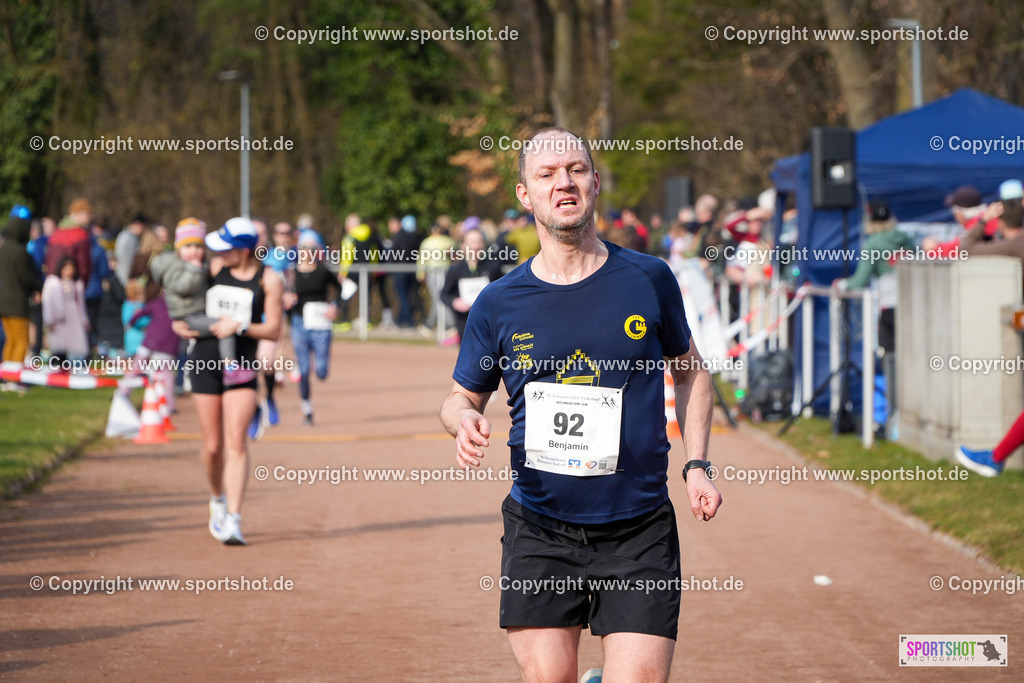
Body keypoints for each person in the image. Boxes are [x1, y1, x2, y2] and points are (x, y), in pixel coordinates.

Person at [439, 127, 722, 682]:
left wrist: (696, 464)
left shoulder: (648, 278)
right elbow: (458, 397)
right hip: (540, 527)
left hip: (638, 528)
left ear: (594, 182)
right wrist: (464, 418)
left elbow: (691, 371)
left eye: (575, 169)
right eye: (546, 174)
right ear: (525, 195)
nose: (563, 183)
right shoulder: (498, 302)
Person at [172, 217, 283, 545]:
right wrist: (178, 323)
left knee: (236, 443)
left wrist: (240, 326)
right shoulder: (212, 269)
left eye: (227, 248)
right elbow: (180, 298)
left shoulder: (269, 279)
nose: (219, 253)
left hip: (241, 364)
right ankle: (216, 498)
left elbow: (273, 330)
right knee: (213, 447)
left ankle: (234, 519)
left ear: (244, 250)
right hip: (204, 360)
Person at [150, 218, 253, 386]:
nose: (194, 251)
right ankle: (231, 367)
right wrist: (195, 269)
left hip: (198, 314)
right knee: (224, 327)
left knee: (222, 327)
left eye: (198, 247)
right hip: (189, 316)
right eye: (188, 246)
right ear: (178, 248)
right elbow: (183, 287)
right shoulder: (177, 267)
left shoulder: (203, 265)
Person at [289, 229, 342, 425]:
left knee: (321, 372)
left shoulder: (323, 271)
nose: (307, 252)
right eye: (304, 248)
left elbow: (341, 290)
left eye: (311, 248)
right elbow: (282, 293)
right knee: (303, 371)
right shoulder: (291, 272)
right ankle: (307, 410)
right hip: (299, 323)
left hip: (320, 324)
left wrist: (334, 306)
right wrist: (287, 299)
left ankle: (315, 362)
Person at [0, 207, 44, 380]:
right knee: (21, 340)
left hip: (3, 302)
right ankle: (14, 377)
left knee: (10, 340)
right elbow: (26, 276)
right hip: (17, 303)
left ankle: (5, 375)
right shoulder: (20, 252)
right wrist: (38, 287)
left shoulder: (3, 249)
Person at [439, 228, 503, 343]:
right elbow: (444, 294)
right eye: (472, 242)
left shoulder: (493, 267)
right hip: (464, 323)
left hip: (489, 322)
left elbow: (503, 291)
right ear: (464, 245)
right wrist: (454, 302)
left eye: (479, 241)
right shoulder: (455, 269)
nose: (476, 246)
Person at [42, 256, 90, 364]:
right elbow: (48, 302)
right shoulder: (53, 283)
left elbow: (81, 304)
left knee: (75, 347)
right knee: (59, 347)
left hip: (73, 317)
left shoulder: (77, 284)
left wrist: (84, 320)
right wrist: (49, 320)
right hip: (60, 318)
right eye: (66, 267)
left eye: (71, 267)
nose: (69, 270)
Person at [45, 199, 92, 285]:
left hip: (53, 282)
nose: (89, 217)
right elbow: (83, 266)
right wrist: (82, 284)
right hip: (71, 283)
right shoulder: (80, 236)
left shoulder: (55, 233)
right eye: (87, 213)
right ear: (78, 214)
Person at [391, 215, 424, 328]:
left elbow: (393, 254)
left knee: (403, 297)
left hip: (400, 271)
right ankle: (400, 320)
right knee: (408, 296)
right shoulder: (417, 237)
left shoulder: (399, 236)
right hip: (412, 270)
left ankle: (409, 321)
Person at [114, 214, 150, 286]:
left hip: (119, 276)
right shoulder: (130, 239)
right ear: (139, 224)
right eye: (143, 227)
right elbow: (131, 261)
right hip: (126, 278)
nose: (144, 230)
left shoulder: (122, 235)